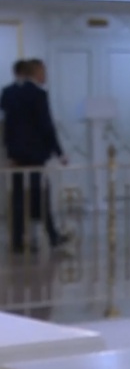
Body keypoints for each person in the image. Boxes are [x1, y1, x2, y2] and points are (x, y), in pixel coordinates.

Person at [2, 58, 69, 253]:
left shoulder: (8, 93)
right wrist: (59, 152)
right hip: (35, 154)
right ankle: (51, 236)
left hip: (16, 155)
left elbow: (8, 123)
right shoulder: (38, 94)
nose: (45, 75)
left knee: (18, 197)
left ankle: (17, 240)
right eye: (43, 71)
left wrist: (10, 150)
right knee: (41, 194)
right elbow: (46, 125)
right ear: (36, 72)